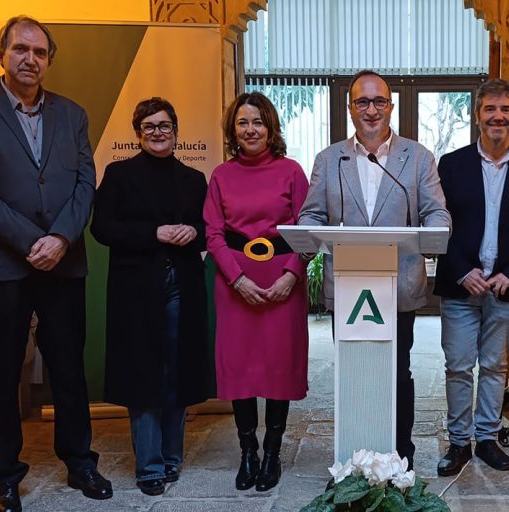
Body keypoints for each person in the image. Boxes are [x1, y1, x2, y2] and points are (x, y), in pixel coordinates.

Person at [0, 16, 111, 511]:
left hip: (63, 262)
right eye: (20, 49)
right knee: (0, 374)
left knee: (68, 369)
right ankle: (6, 477)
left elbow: (85, 182)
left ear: (49, 60)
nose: (30, 59)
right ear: (1, 53)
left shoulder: (72, 114)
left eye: (39, 52)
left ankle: (80, 462)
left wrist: (60, 237)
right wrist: (30, 240)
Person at [298, 69, 451, 470]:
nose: (371, 110)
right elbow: (312, 214)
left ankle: (400, 459)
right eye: (362, 102)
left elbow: (436, 212)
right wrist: (309, 235)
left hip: (398, 286)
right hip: (348, 287)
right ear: (350, 108)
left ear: (391, 106)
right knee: (353, 373)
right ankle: (351, 461)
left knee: (397, 373)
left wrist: (435, 234)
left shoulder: (417, 157)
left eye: (379, 101)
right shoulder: (329, 159)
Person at [433, 79, 509, 477]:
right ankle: (458, 443)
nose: (498, 116)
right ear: (477, 115)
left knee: (494, 366)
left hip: (506, 287)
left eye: (506, 109)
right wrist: (461, 269)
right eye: (490, 109)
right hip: (460, 284)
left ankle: (486, 439)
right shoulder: (451, 165)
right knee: (458, 366)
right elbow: (437, 223)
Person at [90, 97, 210, 496]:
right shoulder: (119, 174)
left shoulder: (194, 178)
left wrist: (194, 232)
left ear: (176, 131)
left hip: (183, 287)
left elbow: (209, 229)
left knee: (177, 371)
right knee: (144, 375)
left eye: (164, 126)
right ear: (138, 133)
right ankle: (149, 466)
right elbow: (101, 228)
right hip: (136, 291)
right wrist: (153, 233)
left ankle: (172, 457)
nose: (158, 132)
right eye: (149, 126)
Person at [205, 91, 310, 492]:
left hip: (283, 281)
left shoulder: (292, 172)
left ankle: (272, 454)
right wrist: (236, 279)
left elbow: (308, 230)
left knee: (278, 366)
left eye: (258, 122)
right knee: (241, 367)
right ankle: (247, 452)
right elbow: (213, 234)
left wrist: (291, 275)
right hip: (236, 283)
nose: (250, 130)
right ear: (233, 130)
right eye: (242, 123)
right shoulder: (221, 175)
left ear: (271, 128)